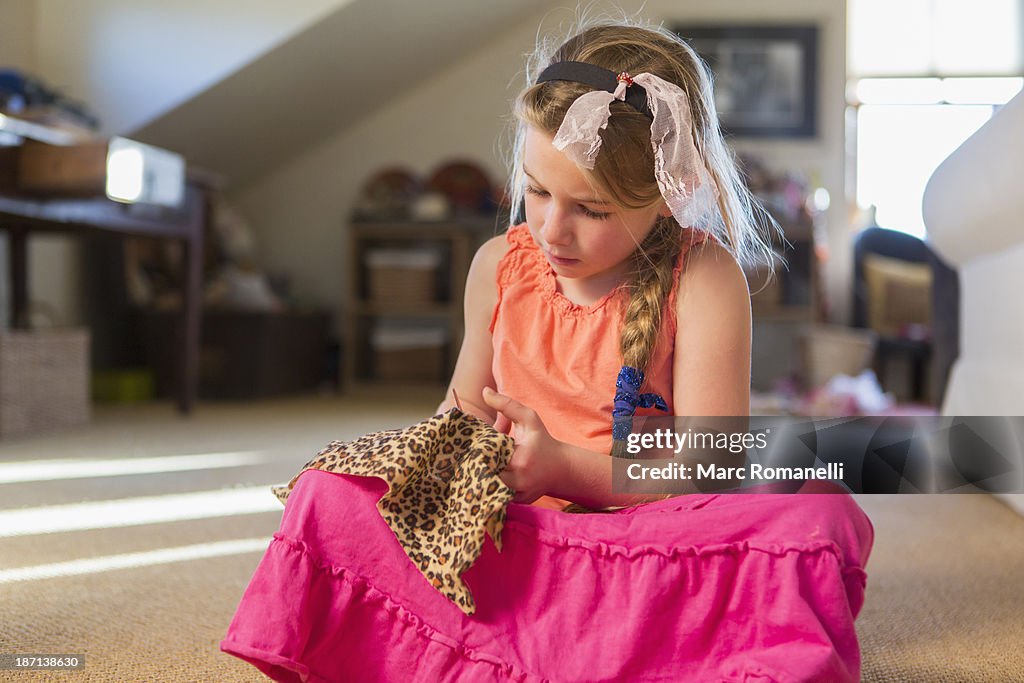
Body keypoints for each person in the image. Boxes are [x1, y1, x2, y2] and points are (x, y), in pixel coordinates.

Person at [222, 17, 873, 682]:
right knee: (328, 495)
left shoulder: (703, 278)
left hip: (640, 540)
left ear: (667, 192)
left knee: (815, 519)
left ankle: (538, 642)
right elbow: (460, 416)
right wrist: (432, 467)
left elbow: (707, 466)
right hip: (517, 537)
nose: (552, 228)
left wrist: (566, 467)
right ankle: (569, 641)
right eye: (536, 191)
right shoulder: (497, 265)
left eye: (590, 210)